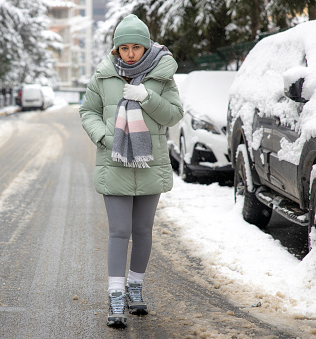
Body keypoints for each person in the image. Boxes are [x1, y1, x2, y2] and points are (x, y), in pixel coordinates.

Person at [79, 14, 183, 328]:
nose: (130, 53)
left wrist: (147, 97)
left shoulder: (162, 73)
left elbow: (174, 114)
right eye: (123, 47)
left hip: (150, 162)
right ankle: (115, 295)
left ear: (146, 45)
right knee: (119, 231)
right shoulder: (103, 75)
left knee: (142, 231)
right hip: (114, 162)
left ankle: (134, 288)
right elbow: (88, 111)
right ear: (116, 49)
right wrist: (102, 136)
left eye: (136, 46)